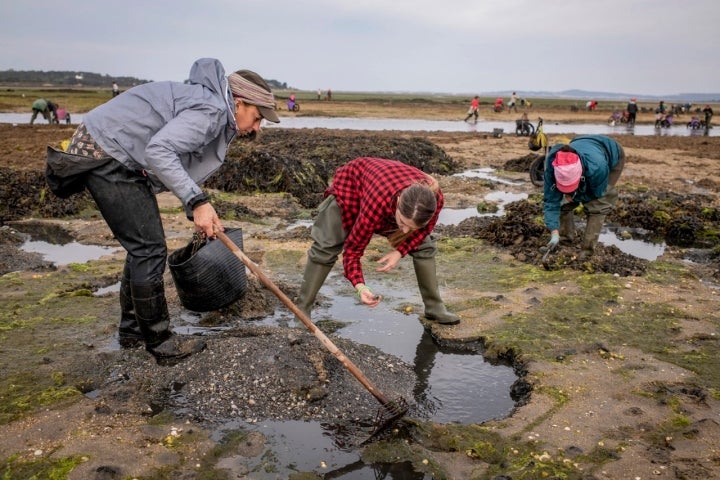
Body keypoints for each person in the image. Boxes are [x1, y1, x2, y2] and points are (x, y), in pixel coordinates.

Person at [46, 58, 279, 362]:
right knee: (149, 249)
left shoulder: (212, 107)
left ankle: (133, 333)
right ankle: (161, 343)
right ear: (238, 102)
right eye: (258, 117)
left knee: (144, 246)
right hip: (109, 153)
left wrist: (196, 205)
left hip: (123, 156)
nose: (257, 127)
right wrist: (197, 202)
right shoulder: (211, 111)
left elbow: (181, 162)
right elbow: (160, 151)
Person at [296, 157, 460, 326]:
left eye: (411, 227)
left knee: (424, 245)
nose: (404, 231)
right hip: (351, 188)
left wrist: (399, 251)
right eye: (403, 223)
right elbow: (353, 251)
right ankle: (302, 310)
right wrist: (360, 287)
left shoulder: (434, 200)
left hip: (385, 187)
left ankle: (435, 308)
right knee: (326, 246)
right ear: (397, 203)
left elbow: (424, 230)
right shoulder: (377, 202)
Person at [542, 135, 625, 261]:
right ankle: (564, 240)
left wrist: (574, 197)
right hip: (580, 143)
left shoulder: (597, 167)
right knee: (562, 204)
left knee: (597, 206)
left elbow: (595, 193)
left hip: (611, 154)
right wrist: (554, 231)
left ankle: (587, 252)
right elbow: (551, 201)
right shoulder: (552, 166)